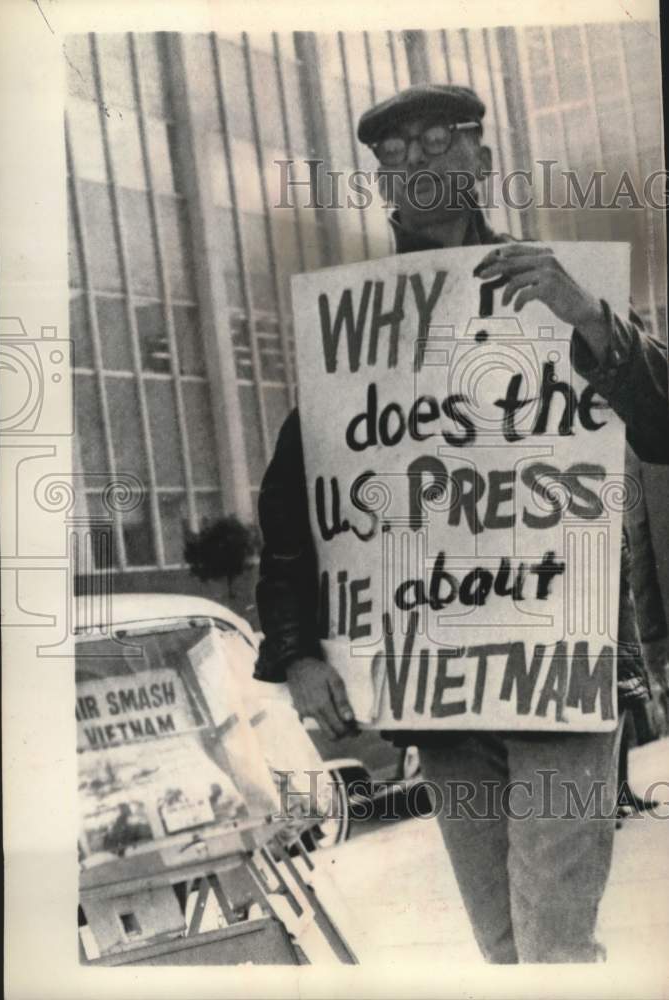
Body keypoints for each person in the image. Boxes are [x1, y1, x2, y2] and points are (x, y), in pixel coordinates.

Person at [254, 84, 669, 963]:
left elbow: (664, 422)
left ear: (482, 158)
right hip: (439, 687)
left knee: (553, 944)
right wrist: (295, 651)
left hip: (556, 666)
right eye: (395, 154)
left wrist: (591, 322)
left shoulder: (557, 288)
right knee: (505, 947)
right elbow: (294, 505)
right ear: (381, 184)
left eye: (440, 139)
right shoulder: (355, 330)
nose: (419, 160)